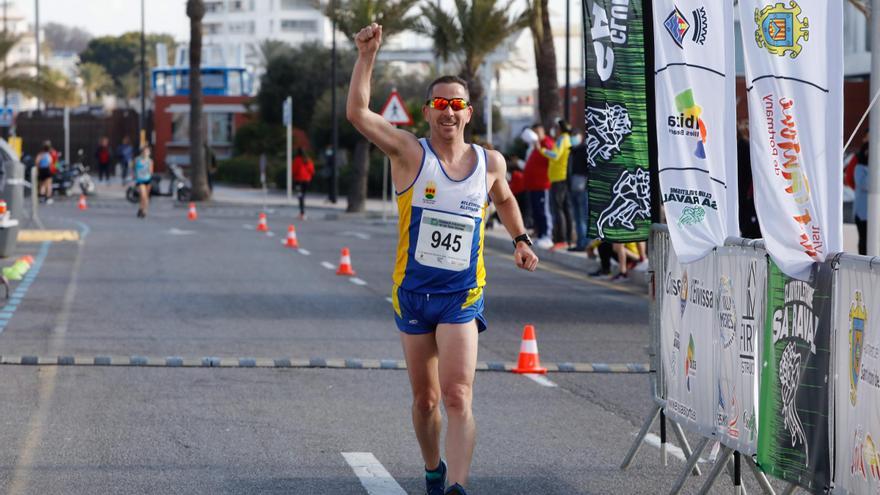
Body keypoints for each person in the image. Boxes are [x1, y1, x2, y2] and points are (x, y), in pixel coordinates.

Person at [346, 23, 538, 495]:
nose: (448, 112)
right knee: (426, 399)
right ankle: (433, 467)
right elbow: (356, 113)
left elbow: (507, 198)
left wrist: (521, 239)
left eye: (457, 104)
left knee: (457, 394)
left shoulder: (489, 162)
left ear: (468, 112)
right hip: (413, 294)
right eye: (440, 104)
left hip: (460, 296)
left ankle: (456, 485)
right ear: (428, 111)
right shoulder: (410, 153)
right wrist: (367, 56)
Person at [540, 119, 573, 250]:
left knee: (558, 209)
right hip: (561, 178)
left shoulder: (562, 139)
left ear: (560, 129)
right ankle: (567, 239)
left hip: (559, 178)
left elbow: (555, 155)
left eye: (556, 128)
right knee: (565, 209)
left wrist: (542, 150)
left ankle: (561, 239)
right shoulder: (567, 138)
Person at [522, 123, 554, 249]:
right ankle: (541, 234)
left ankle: (547, 235)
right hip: (533, 185)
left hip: (542, 184)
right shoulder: (534, 146)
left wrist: (539, 147)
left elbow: (550, 156)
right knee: (536, 211)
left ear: (542, 131)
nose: (536, 135)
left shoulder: (546, 143)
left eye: (538, 132)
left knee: (543, 211)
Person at [568, 138, 589, 251]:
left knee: (579, 217)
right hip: (582, 187)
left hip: (575, 186)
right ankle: (583, 243)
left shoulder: (575, 150)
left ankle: (583, 242)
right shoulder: (586, 150)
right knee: (582, 217)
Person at [291, 148, 315, 219]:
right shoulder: (308, 160)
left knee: (300, 196)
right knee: (303, 195)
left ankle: (302, 212)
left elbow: (294, 170)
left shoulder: (297, 160)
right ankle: (302, 212)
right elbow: (312, 171)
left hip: (299, 181)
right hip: (307, 181)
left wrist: (294, 176)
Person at [854, 141, 869, 255]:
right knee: (864, 239)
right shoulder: (859, 168)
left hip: (873, 213)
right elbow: (864, 184)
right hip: (862, 213)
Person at [133, 145, 154, 218]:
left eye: (148, 152)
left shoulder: (150, 161)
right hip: (140, 180)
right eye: (145, 151)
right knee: (143, 195)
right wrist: (134, 176)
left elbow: (151, 172)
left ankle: (143, 209)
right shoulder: (137, 159)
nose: (146, 153)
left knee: (145, 197)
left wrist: (148, 168)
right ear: (142, 152)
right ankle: (143, 210)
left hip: (147, 179)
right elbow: (134, 169)